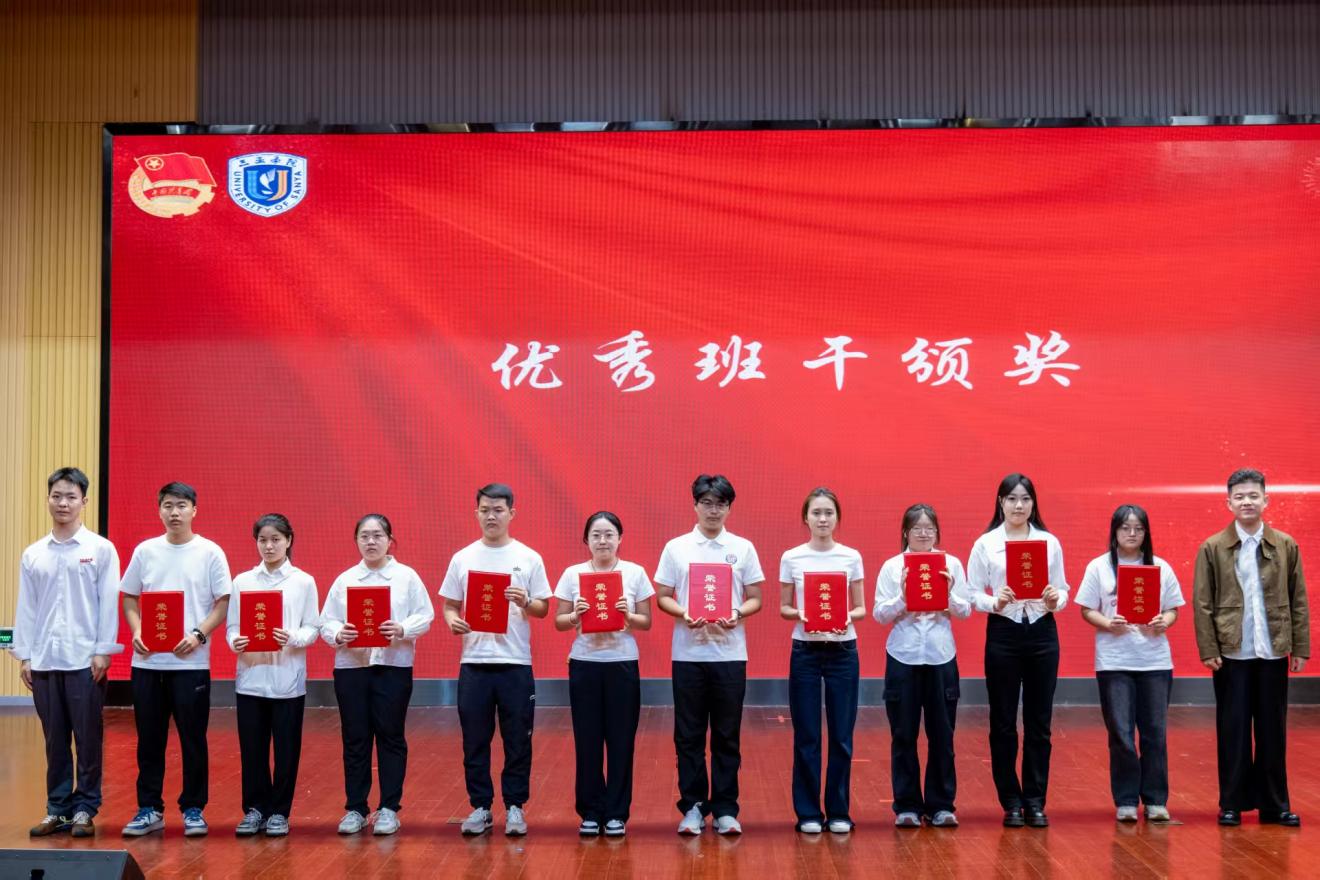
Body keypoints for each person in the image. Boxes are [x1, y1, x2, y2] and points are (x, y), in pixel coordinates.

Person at [1192, 468, 1309, 827]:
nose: (1247, 502)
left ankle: (1275, 805)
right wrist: (1209, 648)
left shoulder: (1285, 545)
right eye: (1239, 496)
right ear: (1228, 502)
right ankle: (1232, 803)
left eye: (1253, 495)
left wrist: (1300, 647)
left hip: (1273, 650)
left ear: (1266, 500)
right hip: (1232, 652)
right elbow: (1202, 603)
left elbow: (1299, 599)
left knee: (1273, 730)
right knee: (1233, 730)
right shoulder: (1212, 547)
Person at [120, 481, 233, 837]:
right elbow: (129, 597)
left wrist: (199, 634)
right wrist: (137, 630)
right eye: (168, 505)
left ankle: (194, 808)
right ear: (159, 510)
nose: (174, 512)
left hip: (191, 664)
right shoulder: (146, 551)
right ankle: (149, 808)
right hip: (148, 664)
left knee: (192, 739)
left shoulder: (210, 552)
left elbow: (223, 602)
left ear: (194, 510)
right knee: (149, 740)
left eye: (181, 505)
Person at [439, 484, 552, 837]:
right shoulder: (463, 558)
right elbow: (449, 605)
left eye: (498, 510)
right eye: (485, 509)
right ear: (476, 513)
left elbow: (543, 608)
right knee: (475, 739)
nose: (491, 516)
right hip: (474, 662)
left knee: (518, 738)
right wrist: (452, 621)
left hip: (515, 663)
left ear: (512, 513)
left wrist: (525, 601)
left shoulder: (528, 557)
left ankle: (515, 806)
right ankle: (480, 806)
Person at [655, 474, 765, 836]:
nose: (713, 510)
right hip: (688, 654)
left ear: (729, 507)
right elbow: (663, 596)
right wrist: (684, 612)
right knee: (688, 735)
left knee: (726, 735)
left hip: (730, 654)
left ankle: (725, 809)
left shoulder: (743, 548)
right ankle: (692, 807)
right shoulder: (677, 548)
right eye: (706, 502)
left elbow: (755, 598)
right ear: (695, 505)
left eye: (720, 503)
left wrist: (737, 612)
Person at [16, 467, 121, 838]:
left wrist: (103, 651)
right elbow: (27, 608)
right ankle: (57, 809)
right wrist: (25, 656)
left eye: (71, 497)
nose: (63, 503)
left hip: (84, 660)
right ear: (48, 499)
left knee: (87, 738)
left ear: (84, 501)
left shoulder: (100, 549)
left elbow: (108, 603)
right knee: (54, 739)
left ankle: (85, 808)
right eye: (57, 496)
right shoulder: (33, 554)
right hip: (45, 659)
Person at [320, 514, 434, 836]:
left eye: (378, 535)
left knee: (391, 735)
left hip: (393, 666)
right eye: (364, 536)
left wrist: (402, 628)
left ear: (389, 540)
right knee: (355, 737)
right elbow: (325, 621)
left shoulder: (406, 577)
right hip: (351, 668)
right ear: (356, 540)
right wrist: (338, 633)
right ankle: (356, 808)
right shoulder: (345, 580)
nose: (371, 541)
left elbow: (425, 615)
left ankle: (389, 808)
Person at [967, 473, 1068, 828]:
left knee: (1040, 723)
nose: (1019, 505)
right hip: (1003, 632)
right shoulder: (986, 544)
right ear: (1001, 502)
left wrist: (1055, 598)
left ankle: (1035, 800)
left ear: (1033, 503)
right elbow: (971, 592)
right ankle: (1010, 800)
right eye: (1011, 499)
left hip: (1042, 631)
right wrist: (994, 601)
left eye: (1025, 499)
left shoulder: (1048, 542)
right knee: (1003, 721)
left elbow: (1063, 589)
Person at [1076, 505, 1184, 823]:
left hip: (1154, 662)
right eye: (1125, 528)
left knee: (1154, 732)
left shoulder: (1161, 567)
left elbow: (1173, 609)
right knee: (1121, 733)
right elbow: (1086, 609)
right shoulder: (1099, 567)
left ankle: (1155, 800)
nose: (1132, 533)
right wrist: (1108, 623)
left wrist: (1164, 621)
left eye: (1138, 528)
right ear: (1115, 531)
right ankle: (1125, 799)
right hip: (1114, 662)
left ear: (1146, 532)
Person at [552, 511, 654, 837]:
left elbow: (646, 622)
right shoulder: (573, 574)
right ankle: (591, 811)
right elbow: (559, 621)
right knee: (588, 739)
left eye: (609, 534)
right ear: (586, 540)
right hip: (585, 663)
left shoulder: (635, 573)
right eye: (596, 535)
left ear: (620, 538)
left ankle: (616, 812)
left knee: (622, 739)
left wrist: (628, 615)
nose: (603, 541)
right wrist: (575, 616)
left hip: (622, 662)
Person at [873, 503, 972, 828]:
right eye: (917, 528)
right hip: (903, 656)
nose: (924, 534)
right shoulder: (892, 567)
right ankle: (907, 806)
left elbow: (965, 610)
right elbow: (879, 614)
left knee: (942, 734)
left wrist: (948, 594)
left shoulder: (951, 564)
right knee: (903, 734)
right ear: (906, 532)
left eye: (930, 528)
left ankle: (941, 805)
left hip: (941, 656)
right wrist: (903, 597)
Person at [225, 513, 321, 837]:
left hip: (287, 679)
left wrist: (292, 637)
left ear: (288, 541)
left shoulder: (303, 581)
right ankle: (254, 809)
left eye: (275, 539)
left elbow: (313, 628)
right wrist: (235, 641)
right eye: (263, 540)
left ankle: (279, 811)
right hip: (251, 678)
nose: (269, 546)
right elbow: (233, 626)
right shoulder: (242, 581)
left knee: (286, 749)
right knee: (252, 749)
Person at [777, 487, 864, 834]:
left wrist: (847, 616)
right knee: (807, 735)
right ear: (806, 518)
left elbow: (861, 607)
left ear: (837, 517)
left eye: (829, 513)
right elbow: (784, 608)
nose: (823, 519)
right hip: (806, 652)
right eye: (816, 513)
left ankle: (839, 811)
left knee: (841, 735)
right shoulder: (792, 557)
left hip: (843, 651)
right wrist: (801, 613)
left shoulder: (851, 557)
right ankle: (809, 812)